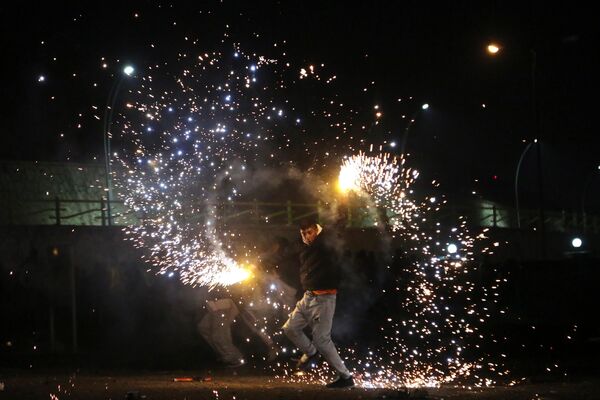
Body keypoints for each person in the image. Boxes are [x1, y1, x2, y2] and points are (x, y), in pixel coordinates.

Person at [282, 219, 354, 388]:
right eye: (303, 233)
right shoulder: (305, 247)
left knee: (322, 340)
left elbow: (337, 225)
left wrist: (342, 204)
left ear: (317, 231)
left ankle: (346, 377)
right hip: (308, 297)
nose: (306, 236)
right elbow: (288, 253)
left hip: (325, 299)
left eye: (309, 232)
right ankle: (311, 353)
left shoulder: (326, 242)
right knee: (290, 328)